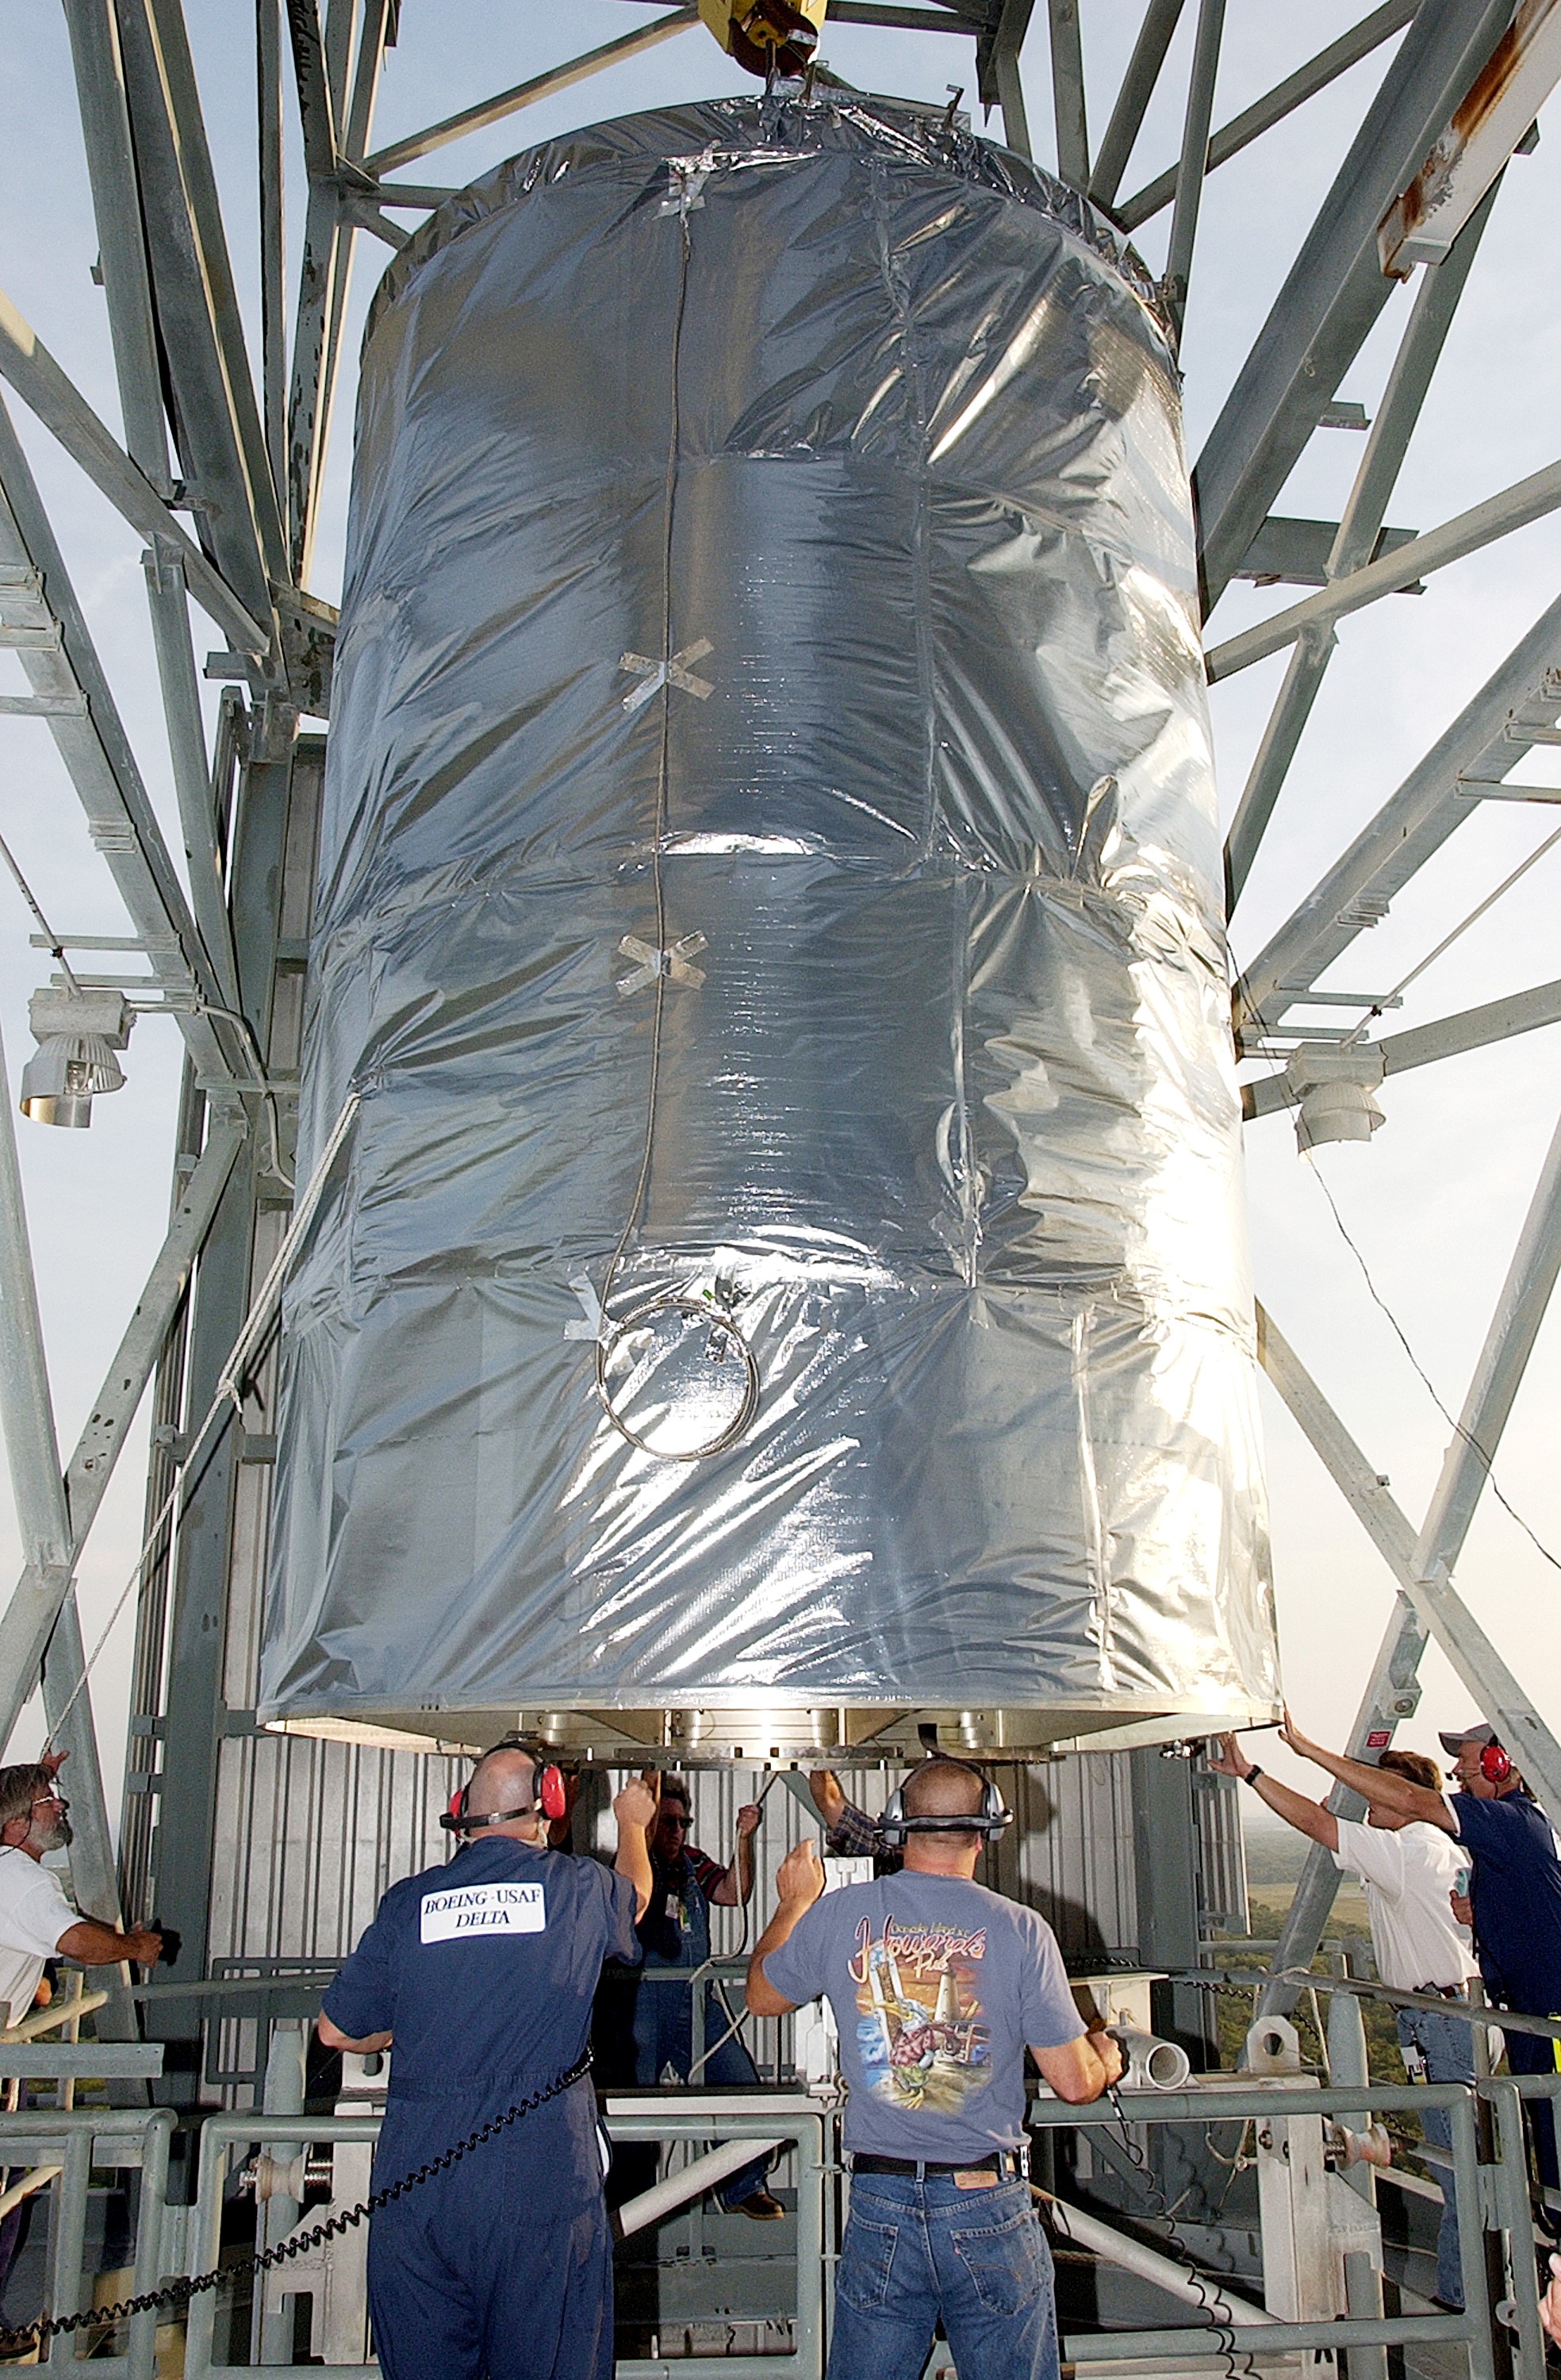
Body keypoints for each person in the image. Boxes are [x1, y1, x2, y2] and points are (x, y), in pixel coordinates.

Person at [746, 1756, 1122, 2380]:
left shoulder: (840, 1917)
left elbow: (761, 1998)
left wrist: (792, 1904)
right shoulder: (1023, 1931)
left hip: (879, 2203)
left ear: (897, 1824)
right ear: (986, 1831)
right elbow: (1076, 2083)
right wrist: (1106, 2057)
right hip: (986, 2203)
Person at [317, 1743, 656, 2380]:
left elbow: (336, 2031)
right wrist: (633, 1824)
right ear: (549, 1805)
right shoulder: (575, 1887)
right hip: (538, 2181)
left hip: (418, 2181)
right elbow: (635, 1898)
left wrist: (412, 2032)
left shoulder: (410, 1901)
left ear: (460, 1812)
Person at [1210, 1732, 1475, 2308]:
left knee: (1461, 2172)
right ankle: (1480, 2298)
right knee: (1461, 2163)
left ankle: (1466, 2309)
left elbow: (1316, 1823)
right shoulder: (1442, 1846)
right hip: (1450, 2017)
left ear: (1403, 1798)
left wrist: (1252, 1774)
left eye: (1378, 1799)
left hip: (1443, 2023)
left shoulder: (1408, 1849)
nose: (1370, 1810)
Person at [1280, 1708, 1561, 2209]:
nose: (1460, 1780)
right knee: (1534, 2153)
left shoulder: (1505, 1823)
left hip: (1535, 2019)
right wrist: (1485, 1912)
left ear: (1504, 1766)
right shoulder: (1500, 1833)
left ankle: (1478, 2282)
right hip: (1518, 2016)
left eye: (1469, 1770)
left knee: (1517, 2160)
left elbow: (1410, 1802)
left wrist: (1309, 1750)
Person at [0, 1755, 165, 2309]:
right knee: (6, 2188)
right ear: (18, 1823)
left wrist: (35, 1774)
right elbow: (73, 1941)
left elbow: (60, 1926)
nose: (62, 1806)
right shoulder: (21, 1879)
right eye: (50, 1800)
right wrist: (132, 1948)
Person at [630, 1774, 783, 2220]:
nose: (676, 1832)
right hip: (641, 1998)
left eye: (682, 1823)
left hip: (695, 1998)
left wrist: (745, 1839)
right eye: (666, 1823)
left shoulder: (693, 1863)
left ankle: (744, 2185)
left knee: (736, 2082)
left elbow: (736, 1892)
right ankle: (623, 2198)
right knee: (631, 2100)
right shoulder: (634, 1862)